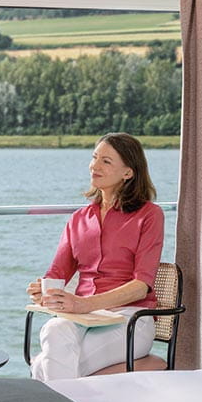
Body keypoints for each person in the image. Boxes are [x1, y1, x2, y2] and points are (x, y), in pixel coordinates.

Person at [28, 133, 164, 380]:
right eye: (94, 157)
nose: (95, 165)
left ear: (128, 173)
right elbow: (57, 273)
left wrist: (85, 304)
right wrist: (44, 291)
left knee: (43, 367)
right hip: (82, 318)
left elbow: (141, 286)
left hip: (130, 319)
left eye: (106, 161)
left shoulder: (149, 215)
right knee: (53, 328)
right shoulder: (79, 219)